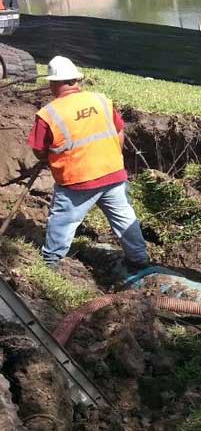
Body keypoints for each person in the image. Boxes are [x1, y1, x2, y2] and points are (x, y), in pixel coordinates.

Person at [30, 56, 150, 272]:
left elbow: (39, 150)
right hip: (112, 173)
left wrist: (50, 155)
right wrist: (111, 155)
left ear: (52, 83)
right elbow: (119, 131)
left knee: (63, 223)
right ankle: (139, 259)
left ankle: (50, 265)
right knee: (125, 219)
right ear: (77, 80)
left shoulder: (48, 114)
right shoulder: (101, 100)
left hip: (77, 181)